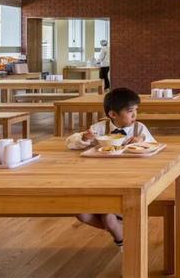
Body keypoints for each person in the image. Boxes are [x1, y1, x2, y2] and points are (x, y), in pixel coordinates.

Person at [65, 88, 155, 249]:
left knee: (108, 218)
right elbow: (70, 143)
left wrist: (141, 140)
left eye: (136, 110)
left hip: (127, 181)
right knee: (81, 213)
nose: (135, 115)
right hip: (100, 180)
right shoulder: (100, 128)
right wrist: (85, 137)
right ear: (113, 114)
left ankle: (123, 240)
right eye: (130, 111)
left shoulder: (139, 128)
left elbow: (153, 145)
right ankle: (124, 235)